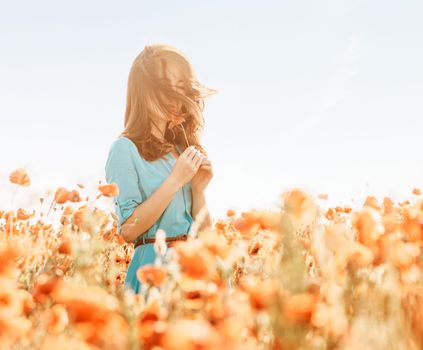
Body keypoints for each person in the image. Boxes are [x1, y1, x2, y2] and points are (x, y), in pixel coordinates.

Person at [105, 44, 216, 294]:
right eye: (166, 86)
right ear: (144, 91)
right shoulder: (124, 149)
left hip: (193, 272)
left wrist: (199, 191)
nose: (175, 97)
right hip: (153, 273)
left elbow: (207, 236)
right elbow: (129, 230)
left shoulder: (181, 148)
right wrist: (175, 181)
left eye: (180, 87)